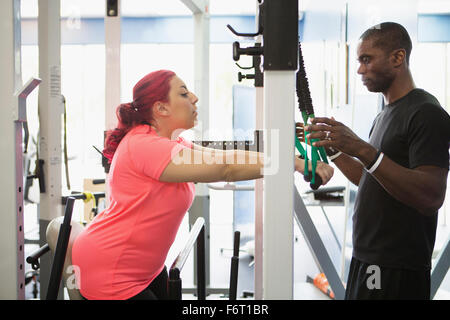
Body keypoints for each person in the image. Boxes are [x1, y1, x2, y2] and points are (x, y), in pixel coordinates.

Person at [72, 69, 334, 300]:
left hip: (145, 269)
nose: (194, 98)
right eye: (184, 94)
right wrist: (295, 164)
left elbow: (219, 158)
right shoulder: (145, 145)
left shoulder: (171, 142)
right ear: (161, 108)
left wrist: (292, 158)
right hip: (111, 271)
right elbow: (225, 168)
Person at [305, 22, 450, 300]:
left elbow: (431, 196)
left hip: (395, 266)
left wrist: (362, 148)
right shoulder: (385, 114)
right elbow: (371, 179)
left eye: (366, 59)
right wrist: (335, 148)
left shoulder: (426, 113)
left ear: (398, 57)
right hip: (368, 259)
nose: (359, 69)